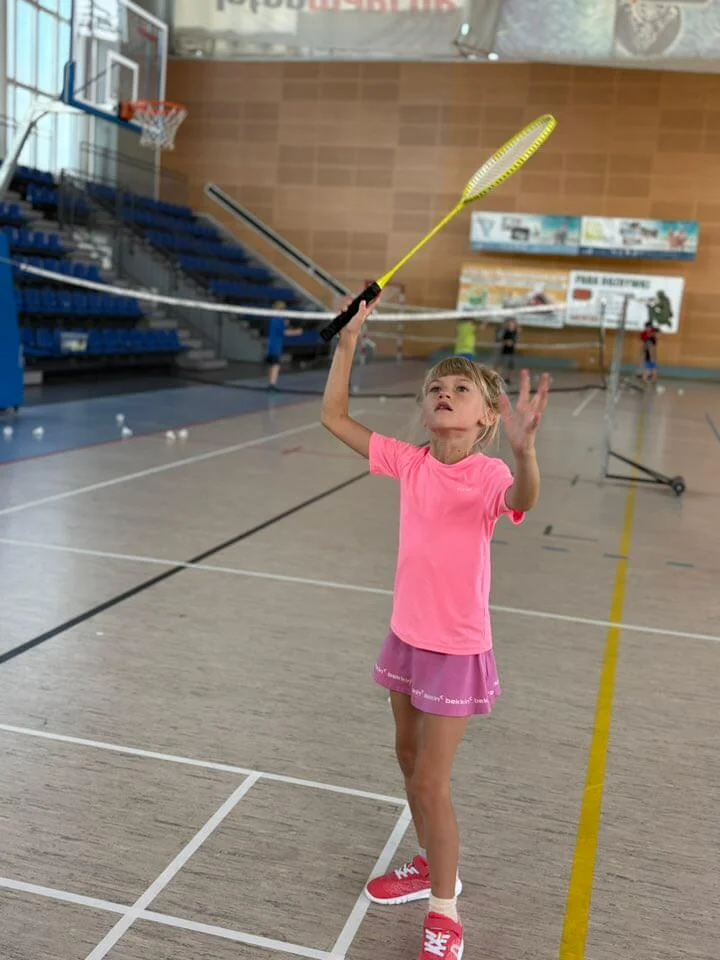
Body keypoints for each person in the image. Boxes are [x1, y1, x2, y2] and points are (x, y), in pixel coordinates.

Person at [321, 295, 550, 960]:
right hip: (407, 637)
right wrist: (348, 342)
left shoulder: (491, 473)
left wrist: (527, 454)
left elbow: (522, 499)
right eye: (436, 388)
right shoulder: (410, 461)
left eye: (461, 389)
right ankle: (428, 863)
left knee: (429, 781)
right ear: (426, 410)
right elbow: (334, 417)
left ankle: (446, 914)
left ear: (486, 418)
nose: (445, 393)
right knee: (406, 760)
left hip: (455, 649)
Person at [266, 300, 303, 390]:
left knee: (272, 365)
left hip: (271, 345)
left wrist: (285, 323)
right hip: (276, 346)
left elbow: (279, 330)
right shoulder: (279, 320)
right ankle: (272, 385)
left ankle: (270, 383)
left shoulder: (273, 319)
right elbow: (284, 332)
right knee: (276, 365)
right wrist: (296, 332)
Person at [497, 316, 519, 384]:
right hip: (504, 351)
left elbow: (516, 340)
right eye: (510, 324)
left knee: (510, 366)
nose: (511, 325)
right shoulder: (505, 332)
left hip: (511, 351)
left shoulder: (515, 332)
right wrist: (506, 342)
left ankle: (508, 379)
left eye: (513, 324)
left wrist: (512, 343)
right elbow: (499, 340)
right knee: (501, 364)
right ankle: (498, 378)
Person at [640, 319, 659, 384]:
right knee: (648, 371)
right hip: (649, 357)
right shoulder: (648, 338)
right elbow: (648, 348)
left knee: (654, 371)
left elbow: (653, 348)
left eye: (650, 327)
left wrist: (654, 357)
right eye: (647, 327)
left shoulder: (653, 337)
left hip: (651, 356)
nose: (648, 329)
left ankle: (652, 382)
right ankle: (644, 381)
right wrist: (651, 357)